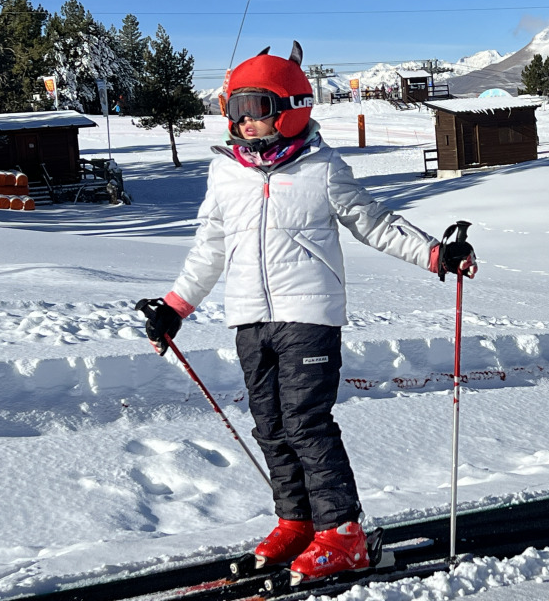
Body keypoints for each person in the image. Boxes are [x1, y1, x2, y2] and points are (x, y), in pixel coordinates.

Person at [140, 42, 477, 583]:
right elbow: (209, 247)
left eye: (258, 108)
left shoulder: (323, 167)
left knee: (306, 423)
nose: (246, 123)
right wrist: (176, 307)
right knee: (270, 426)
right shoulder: (225, 173)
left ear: (292, 106)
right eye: (236, 110)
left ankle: (342, 532)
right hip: (249, 317)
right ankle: (297, 520)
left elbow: (374, 222)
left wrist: (437, 254)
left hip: (309, 314)